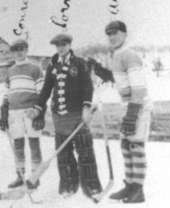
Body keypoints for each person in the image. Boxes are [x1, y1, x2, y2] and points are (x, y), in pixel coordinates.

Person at [31, 34, 102, 198]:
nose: (61, 48)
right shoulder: (52, 66)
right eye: (58, 45)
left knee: (85, 151)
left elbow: (87, 87)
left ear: (70, 45)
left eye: (64, 44)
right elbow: (46, 90)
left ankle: (91, 186)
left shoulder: (79, 63)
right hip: (59, 118)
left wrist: (86, 107)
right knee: (64, 154)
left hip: (77, 115)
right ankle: (68, 186)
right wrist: (37, 109)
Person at [105, 20, 151, 203]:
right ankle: (130, 185)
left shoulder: (129, 54)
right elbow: (122, 78)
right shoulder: (117, 55)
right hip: (128, 106)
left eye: (115, 33)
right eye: (109, 34)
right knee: (126, 147)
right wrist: (101, 71)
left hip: (138, 106)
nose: (112, 37)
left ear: (124, 34)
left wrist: (132, 114)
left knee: (136, 147)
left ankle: (138, 190)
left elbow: (138, 88)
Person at [0, 39, 44, 189]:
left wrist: (40, 113)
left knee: (34, 144)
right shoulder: (10, 71)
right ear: (13, 52)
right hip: (14, 112)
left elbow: (42, 93)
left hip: (30, 111)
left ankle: (35, 177)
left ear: (26, 50)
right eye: (16, 50)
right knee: (18, 144)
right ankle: (20, 175)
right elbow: (6, 94)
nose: (19, 52)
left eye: (22, 49)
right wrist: (4, 113)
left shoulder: (35, 68)